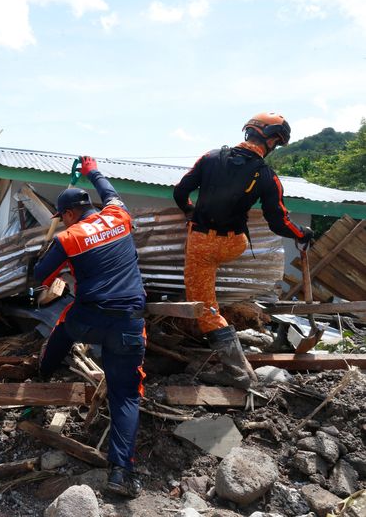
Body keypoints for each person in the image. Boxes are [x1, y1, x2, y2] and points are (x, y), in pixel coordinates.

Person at [173, 112, 313, 389]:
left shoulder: (210, 157)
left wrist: (190, 211)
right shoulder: (266, 176)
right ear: (272, 140)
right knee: (209, 284)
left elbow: (180, 192)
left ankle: (236, 372)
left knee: (205, 307)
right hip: (235, 243)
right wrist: (302, 233)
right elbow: (279, 221)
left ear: (249, 132)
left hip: (202, 244)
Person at [34, 155, 146, 498]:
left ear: (68, 214)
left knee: (66, 322)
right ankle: (120, 472)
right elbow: (108, 190)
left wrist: (53, 260)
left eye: (62, 216)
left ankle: (43, 374)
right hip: (127, 322)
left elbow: (40, 277)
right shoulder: (119, 215)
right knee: (125, 394)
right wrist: (91, 170)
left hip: (89, 320)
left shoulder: (68, 238)